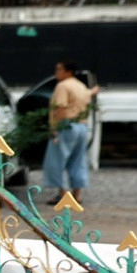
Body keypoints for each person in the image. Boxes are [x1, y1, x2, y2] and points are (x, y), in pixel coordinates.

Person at [44, 59, 98, 205]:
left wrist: (54, 127)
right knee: (78, 160)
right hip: (81, 125)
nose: (56, 72)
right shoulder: (80, 85)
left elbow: (61, 107)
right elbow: (89, 96)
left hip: (66, 125)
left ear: (68, 71)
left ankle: (62, 194)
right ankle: (77, 194)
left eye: (59, 69)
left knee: (57, 160)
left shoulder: (63, 86)